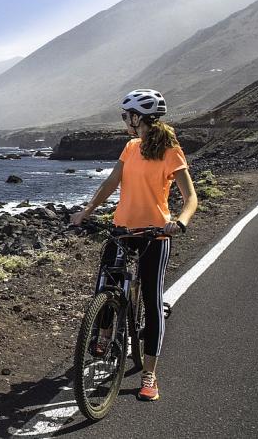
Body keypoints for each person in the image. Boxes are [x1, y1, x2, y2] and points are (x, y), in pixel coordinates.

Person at [70, 89, 198, 402]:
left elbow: (191, 197)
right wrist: (86, 211)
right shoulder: (130, 147)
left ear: (138, 117)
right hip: (122, 228)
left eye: (127, 115)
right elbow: (110, 183)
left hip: (155, 233)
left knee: (153, 302)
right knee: (106, 283)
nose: (125, 120)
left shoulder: (171, 151)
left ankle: (149, 375)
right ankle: (101, 335)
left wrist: (179, 221)